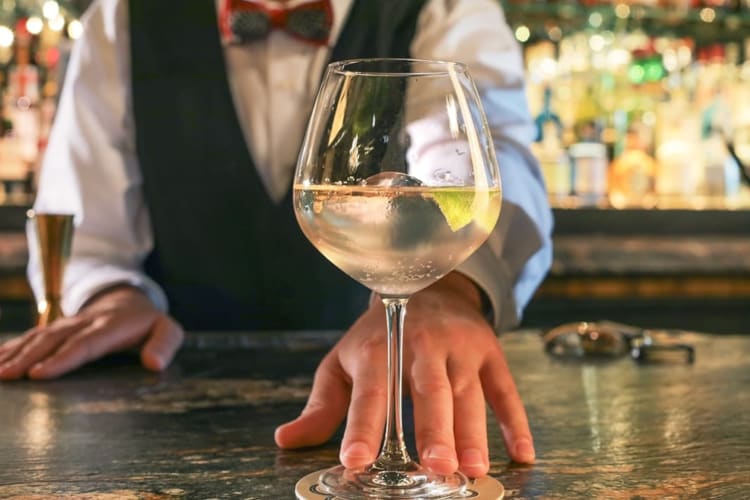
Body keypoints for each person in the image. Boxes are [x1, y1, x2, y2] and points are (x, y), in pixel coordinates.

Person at [0, 0, 553, 479]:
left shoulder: (443, 8)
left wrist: (450, 288)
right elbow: (86, 214)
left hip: (396, 400)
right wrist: (109, 292)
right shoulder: (124, 14)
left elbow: (477, 168)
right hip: (164, 422)